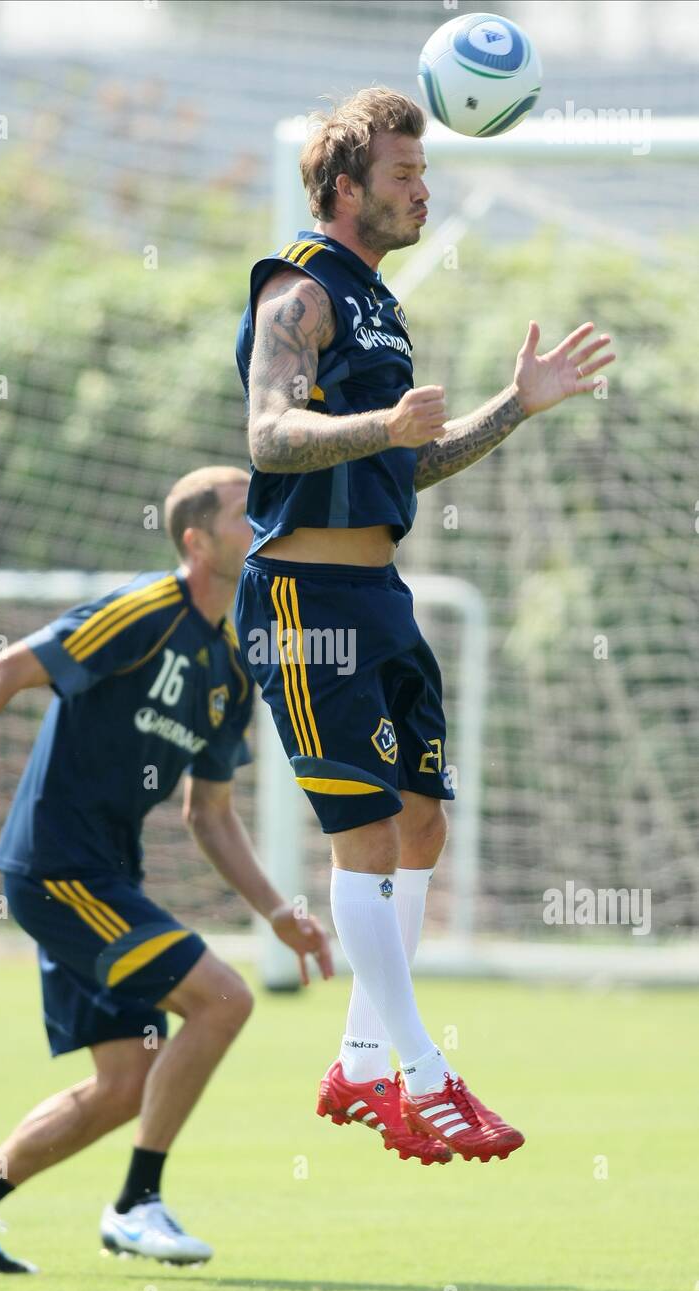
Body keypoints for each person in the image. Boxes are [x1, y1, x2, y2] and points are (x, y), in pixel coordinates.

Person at [234, 88, 615, 1165]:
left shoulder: (377, 305)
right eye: (404, 177)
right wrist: (376, 423)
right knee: (360, 839)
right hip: (307, 605)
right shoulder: (296, 292)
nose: (422, 192)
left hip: (379, 599)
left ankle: (357, 1061)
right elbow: (268, 436)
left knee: (421, 826)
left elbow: (406, 459)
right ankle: (421, 1070)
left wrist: (512, 405)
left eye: (421, 174)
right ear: (346, 189)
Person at [0, 464, 332, 1273]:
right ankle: (138, 1205)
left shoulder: (234, 663)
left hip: (105, 874)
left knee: (125, 1082)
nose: (265, 524)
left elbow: (207, 814)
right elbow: (3, 671)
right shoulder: (144, 612)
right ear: (196, 541)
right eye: (248, 513)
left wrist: (278, 912)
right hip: (57, 870)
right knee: (223, 999)